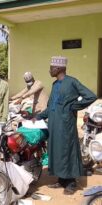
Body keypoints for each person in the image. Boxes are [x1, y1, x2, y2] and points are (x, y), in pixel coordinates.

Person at [35, 56, 96, 195]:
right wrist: (38, 116)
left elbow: (90, 96)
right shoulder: (55, 84)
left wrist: (74, 106)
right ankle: (61, 180)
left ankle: (71, 183)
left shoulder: (72, 82)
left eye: (52, 67)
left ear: (59, 68)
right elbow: (51, 106)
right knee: (56, 151)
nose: (49, 70)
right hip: (54, 124)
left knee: (67, 150)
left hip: (66, 124)